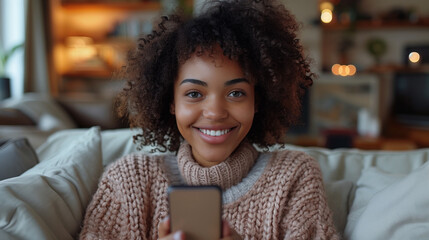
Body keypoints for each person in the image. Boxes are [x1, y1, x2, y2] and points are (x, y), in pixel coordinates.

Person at [79, 0, 339, 239]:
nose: (215, 112)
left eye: (236, 93)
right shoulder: (128, 182)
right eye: (194, 93)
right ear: (171, 101)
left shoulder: (295, 177)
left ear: (257, 101)